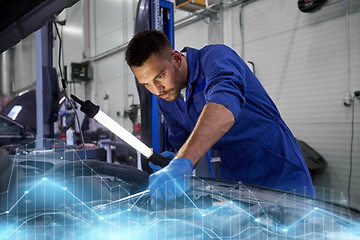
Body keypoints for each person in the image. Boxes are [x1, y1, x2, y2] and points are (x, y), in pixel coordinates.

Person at [125, 30, 315, 207]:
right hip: (234, 174)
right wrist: (175, 159)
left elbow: (224, 106)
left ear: (175, 58)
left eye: (159, 76)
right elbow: (185, 143)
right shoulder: (167, 100)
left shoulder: (215, 58)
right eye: (147, 84)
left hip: (276, 164)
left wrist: (183, 161)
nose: (157, 90)